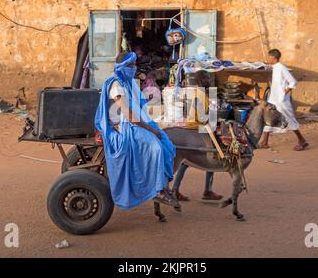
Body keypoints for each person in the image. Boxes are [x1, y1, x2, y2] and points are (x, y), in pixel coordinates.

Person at [95, 52, 179, 209]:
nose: (134, 68)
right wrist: (151, 130)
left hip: (138, 121)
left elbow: (138, 105)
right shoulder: (116, 84)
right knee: (155, 148)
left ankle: (162, 185)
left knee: (167, 145)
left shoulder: (128, 82)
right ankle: (155, 190)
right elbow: (128, 114)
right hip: (125, 125)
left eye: (134, 64)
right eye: (131, 65)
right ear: (123, 67)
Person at [172, 70, 223, 201]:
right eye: (206, 78)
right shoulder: (200, 95)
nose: (208, 80)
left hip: (193, 126)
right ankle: (207, 190)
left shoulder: (200, 93)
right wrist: (213, 123)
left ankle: (176, 190)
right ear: (201, 80)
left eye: (208, 78)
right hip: (196, 127)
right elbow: (201, 117)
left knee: (184, 163)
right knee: (214, 153)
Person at [258, 49, 309, 151]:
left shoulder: (281, 68)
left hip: (281, 101)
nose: (268, 59)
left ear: (274, 57)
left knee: (289, 120)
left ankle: (302, 140)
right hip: (273, 100)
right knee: (268, 118)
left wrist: (283, 93)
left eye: (269, 57)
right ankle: (264, 142)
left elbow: (293, 82)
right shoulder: (275, 67)